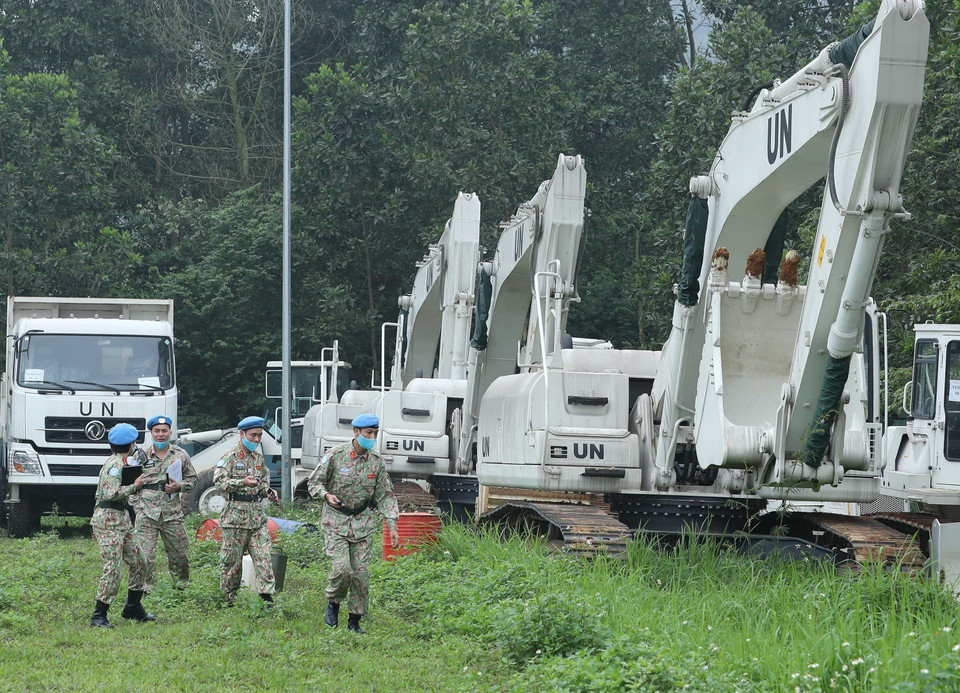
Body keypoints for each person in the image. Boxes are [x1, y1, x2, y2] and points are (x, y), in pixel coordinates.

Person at [308, 413, 399, 633]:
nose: (372, 437)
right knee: (342, 570)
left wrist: (392, 525)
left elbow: (385, 495)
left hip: (362, 523)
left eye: (375, 433)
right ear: (356, 432)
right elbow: (314, 483)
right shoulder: (336, 455)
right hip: (336, 521)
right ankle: (333, 604)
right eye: (369, 433)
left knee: (361, 574)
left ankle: (354, 621)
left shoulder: (376, 462)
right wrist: (326, 496)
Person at [90, 422, 154, 627]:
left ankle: (133, 607)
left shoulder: (122, 461)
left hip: (120, 519)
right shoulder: (115, 465)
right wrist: (134, 487)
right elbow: (110, 494)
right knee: (113, 567)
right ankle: (99, 615)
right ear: (131, 443)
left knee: (139, 561)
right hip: (108, 520)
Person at [213, 416, 279, 605]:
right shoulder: (230, 457)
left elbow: (263, 483)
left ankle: (266, 597)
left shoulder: (258, 459)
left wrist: (269, 492)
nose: (257, 440)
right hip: (235, 517)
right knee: (232, 562)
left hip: (256, 517)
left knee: (264, 557)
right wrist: (240, 482)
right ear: (242, 435)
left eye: (259, 436)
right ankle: (228, 598)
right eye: (253, 436)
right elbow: (219, 482)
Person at [133, 415, 198, 592]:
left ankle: (181, 585)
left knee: (180, 553)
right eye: (157, 431)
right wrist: (136, 506)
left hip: (172, 512)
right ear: (151, 433)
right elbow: (130, 483)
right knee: (145, 553)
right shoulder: (141, 456)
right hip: (147, 512)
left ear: (170, 432)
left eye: (164, 431)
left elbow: (192, 479)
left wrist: (180, 486)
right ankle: (146, 588)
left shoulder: (180, 454)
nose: (160, 435)